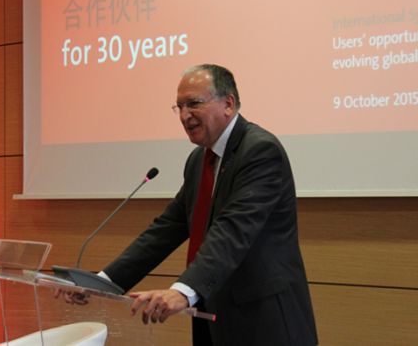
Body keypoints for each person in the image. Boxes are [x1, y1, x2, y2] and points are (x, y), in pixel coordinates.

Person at [101, 64, 318, 345]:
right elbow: (167, 228)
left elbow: (232, 230)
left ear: (228, 103)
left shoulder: (260, 151)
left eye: (193, 104)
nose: (184, 115)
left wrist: (183, 291)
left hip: (263, 320)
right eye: (179, 107)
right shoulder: (198, 160)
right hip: (213, 315)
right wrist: (104, 282)